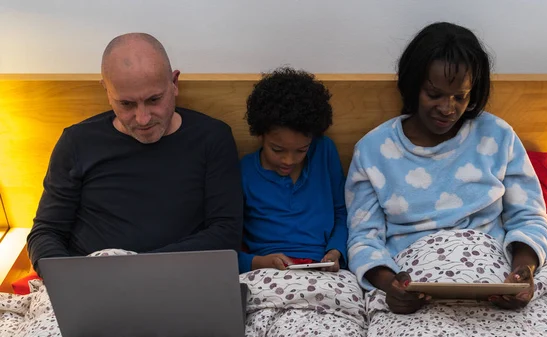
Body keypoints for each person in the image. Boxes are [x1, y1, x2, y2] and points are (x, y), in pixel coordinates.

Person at [345, 22, 547, 313]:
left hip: (494, 279)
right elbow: (363, 238)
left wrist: (522, 274)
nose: (447, 109)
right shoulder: (372, 151)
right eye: (435, 94)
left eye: (460, 97)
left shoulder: (497, 135)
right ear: (413, 85)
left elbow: (530, 217)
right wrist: (391, 286)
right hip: (414, 286)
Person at [27, 33, 243, 273]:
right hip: (93, 279)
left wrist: (137, 271)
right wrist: (67, 281)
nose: (143, 119)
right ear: (107, 91)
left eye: (154, 100)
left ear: (174, 83)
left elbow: (226, 234)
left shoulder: (212, 138)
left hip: (179, 278)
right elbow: (46, 232)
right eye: (126, 104)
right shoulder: (76, 142)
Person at [238, 67, 347, 273]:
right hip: (267, 273)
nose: (289, 160)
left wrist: (336, 251)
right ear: (260, 134)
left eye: (301, 150)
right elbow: (226, 246)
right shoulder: (244, 172)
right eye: (277, 149)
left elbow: (342, 212)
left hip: (324, 270)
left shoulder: (324, 152)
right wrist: (258, 262)